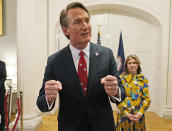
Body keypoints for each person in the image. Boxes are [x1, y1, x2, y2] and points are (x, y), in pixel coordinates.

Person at [36, 2, 125, 131]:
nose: (85, 27)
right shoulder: (55, 61)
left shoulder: (107, 54)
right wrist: (49, 98)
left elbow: (122, 93)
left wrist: (116, 91)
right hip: (70, 126)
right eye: (78, 22)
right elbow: (41, 103)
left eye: (87, 21)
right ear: (65, 29)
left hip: (103, 126)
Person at [116, 55, 151, 131]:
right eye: (129, 63)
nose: (132, 65)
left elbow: (146, 99)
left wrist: (140, 114)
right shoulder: (120, 79)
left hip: (138, 115)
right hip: (124, 114)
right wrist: (126, 114)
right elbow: (118, 99)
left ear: (138, 65)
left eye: (134, 63)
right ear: (126, 65)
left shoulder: (143, 80)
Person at [0, 60, 7, 131]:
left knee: (2, 110)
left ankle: (2, 127)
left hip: (0, 91)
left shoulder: (2, 64)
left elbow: (4, 77)